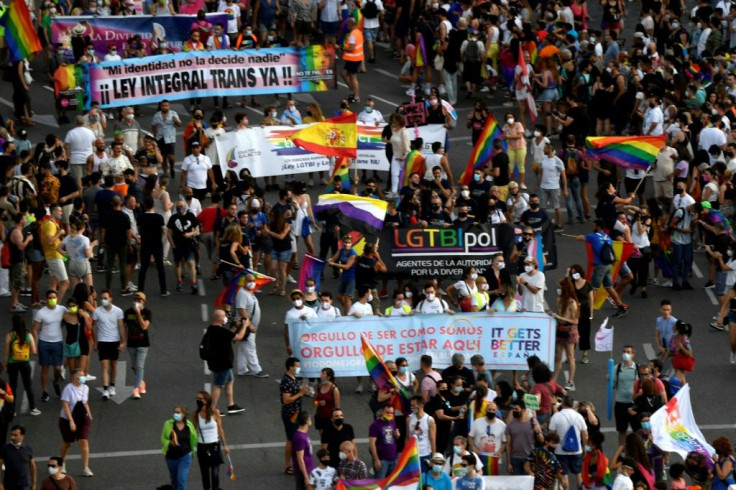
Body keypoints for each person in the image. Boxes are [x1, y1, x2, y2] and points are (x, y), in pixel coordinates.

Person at [576, 220, 628, 318]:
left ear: (598, 226)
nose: (593, 226)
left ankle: (589, 312)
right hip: (607, 265)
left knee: (593, 289)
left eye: (594, 225)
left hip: (600, 266)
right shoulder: (607, 237)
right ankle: (621, 307)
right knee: (609, 287)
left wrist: (578, 237)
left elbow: (580, 238)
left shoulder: (594, 236)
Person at [202, 309, 246, 414]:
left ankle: (231, 405)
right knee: (218, 386)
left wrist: (236, 326)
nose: (226, 318)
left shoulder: (212, 329)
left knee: (230, 381)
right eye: (225, 316)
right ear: (220, 319)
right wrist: (245, 326)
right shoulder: (221, 331)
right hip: (222, 363)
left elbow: (228, 335)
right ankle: (211, 409)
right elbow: (239, 337)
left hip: (218, 362)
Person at [32, 290, 67, 402]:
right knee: (44, 369)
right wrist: (36, 345)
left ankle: (55, 382)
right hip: (44, 343)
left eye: (54, 297)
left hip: (57, 342)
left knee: (57, 368)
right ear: (46, 299)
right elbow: (35, 330)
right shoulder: (41, 312)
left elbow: (71, 317)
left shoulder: (62, 309)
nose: (53, 299)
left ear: (57, 298)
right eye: (50, 297)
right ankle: (45, 391)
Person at [91, 290, 125, 401]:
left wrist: (122, 342)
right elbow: (94, 327)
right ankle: (105, 389)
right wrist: (95, 342)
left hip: (114, 341)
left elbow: (121, 327)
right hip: (102, 341)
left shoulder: (118, 311)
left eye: (105, 298)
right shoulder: (97, 312)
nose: (103, 300)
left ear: (111, 298)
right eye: (102, 298)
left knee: (114, 365)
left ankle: (112, 385)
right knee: (104, 365)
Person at [549, 395, 587, 490]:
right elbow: (585, 435)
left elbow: (551, 434)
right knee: (579, 474)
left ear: (562, 403)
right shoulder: (579, 416)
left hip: (560, 451)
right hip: (577, 450)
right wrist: (585, 449)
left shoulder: (556, 416)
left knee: (564, 475)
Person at [59, 369, 93, 477]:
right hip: (67, 419)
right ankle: (62, 462)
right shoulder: (68, 389)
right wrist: (71, 421)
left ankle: (85, 467)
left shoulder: (86, 388)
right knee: (67, 443)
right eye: (80, 375)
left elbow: (85, 402)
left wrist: (89, 415)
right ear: (74, 377)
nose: (83, 377)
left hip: (82, 418)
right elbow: (65, 406)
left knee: (84, 441)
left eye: (84, 375)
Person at [194, 390, 229, 490]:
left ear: (206, 400)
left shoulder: (215, 412)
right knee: (204, 475)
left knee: (215, 474)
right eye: (197, 399)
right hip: (202, 447)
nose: (198, 400)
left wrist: (225, 445)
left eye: (200, 399)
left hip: (214, 446)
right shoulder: (196, 414)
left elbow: (220, 429)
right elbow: (194, 431)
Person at [4, 316, 39, 416]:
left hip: (12, 363)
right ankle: (33, 408)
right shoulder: (28, 335)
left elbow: (6, 353)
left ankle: (12, 409)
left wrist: (6, 364)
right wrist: (27, 354)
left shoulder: (10, 335)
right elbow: (34, 351)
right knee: (28, 386)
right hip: (24, 363)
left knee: (13, 387)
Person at [281, 357, 309, 476]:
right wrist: (300, 393)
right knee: (291, 440)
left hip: (296, 413)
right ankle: (288, 465)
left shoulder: (293, 378)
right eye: (296, 366)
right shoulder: (286, 381)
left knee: (294, 439)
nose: (298, 368)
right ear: (290, 367)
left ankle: (296, 462)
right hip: (290, 415)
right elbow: (286, 400)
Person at [551, 278, 579, 391]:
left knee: (570, 356)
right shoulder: (559, 301)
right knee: (558, 356)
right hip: (560, 329)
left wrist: (559, 317)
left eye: (560, 288)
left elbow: (575, 321)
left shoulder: (572, 303)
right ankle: (554, 380)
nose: (558, 289)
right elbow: (557, 314)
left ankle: (570, 381)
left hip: (569, 331)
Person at [167, 200, 201, 294]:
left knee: (190, 263)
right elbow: (169, 233)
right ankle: (179, 282)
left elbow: (197, 229)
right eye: (178, 206)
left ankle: (194, 283)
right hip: (177, 245)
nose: (180, 208)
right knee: (178, 264)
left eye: (182, 206)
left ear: (185, 206)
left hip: (188, 244)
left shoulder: (191, 216)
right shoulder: (173, 218)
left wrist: (190, 234)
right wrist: (172, 244)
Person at [123, 292, 151, 400]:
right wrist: (123, 341)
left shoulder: (147, 312)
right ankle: (142, 382)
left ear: (144, 302)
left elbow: (144, 327)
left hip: (143, 343)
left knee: (139, 366)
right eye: (135, 300)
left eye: (139, 301)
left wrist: (138, 314)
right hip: (131, 343)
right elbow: (124, 327)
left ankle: (136, 388)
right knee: (134, 367)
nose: (137, 302)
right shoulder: (128, 312)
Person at [161, 405, 196, 490]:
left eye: (178, 412)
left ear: (184, 414)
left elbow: (194, 437)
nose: (175, 414)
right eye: (174, 412)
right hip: (170, 457)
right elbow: (163, 438)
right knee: (174, 480)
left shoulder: (189, 425)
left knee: (181, 479)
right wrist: (169, 443)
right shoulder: (168, 424)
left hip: (184, 457)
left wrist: (191, 450)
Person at [469, 401, 507, 475]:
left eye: (493, 410)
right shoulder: (477, 422)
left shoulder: (502, 425)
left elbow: (504, 442)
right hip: (479, 458)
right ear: (486, 410)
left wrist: (500, 452)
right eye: (489, 409)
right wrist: (473, 448)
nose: (491, 411)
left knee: (494, 483)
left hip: (495, 460)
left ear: (496, 411)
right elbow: (470, 437)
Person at [0, 425, 36, 490]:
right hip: (9, 485)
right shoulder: (5, 449)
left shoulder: (28, 449)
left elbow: (32, 467)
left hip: (24, 485)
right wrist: (0, 484)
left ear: (22, 436)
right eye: (11, 435)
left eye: (15, 435)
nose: (12, 437)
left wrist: (34, 483)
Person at [369, 404, 399, 479]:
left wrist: (397, 435)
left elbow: (394, 438)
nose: (389, 414)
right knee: (380, 484)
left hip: (393, 458)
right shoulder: (375, 425)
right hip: (382, 460)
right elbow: (372, 443)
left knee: (391, 484)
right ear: (383, 412)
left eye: (391, 413)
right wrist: (376, 459)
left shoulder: (392, 422)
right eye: (387, 412)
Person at [341, 18, 364, 103]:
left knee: (353, 77)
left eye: (348, 24)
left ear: (351, 25)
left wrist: (342, 48)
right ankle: (353, 91)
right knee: (343, 74)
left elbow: (351, 48)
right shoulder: (358, 32)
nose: (347, 26)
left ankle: (356, 96)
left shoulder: (352, 35)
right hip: (355, 58)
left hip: (353, 59)